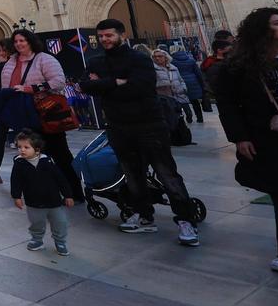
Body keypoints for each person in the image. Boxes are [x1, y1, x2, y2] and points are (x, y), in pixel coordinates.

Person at [78, 19, 201, 246]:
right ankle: (144, 215)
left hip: (149, 124)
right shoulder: (96, 62)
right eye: (102, 36)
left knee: (166, 173)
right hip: (118, 126)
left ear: (121, 35)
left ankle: (186, 220)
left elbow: (141, 87)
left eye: (109, 35)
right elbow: (84, 86)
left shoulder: (140, 59)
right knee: (132, 174)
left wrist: (104, 85)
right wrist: (117, 82)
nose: (105, 39)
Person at [214, 7, 278, 273]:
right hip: (268, 137)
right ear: (262, 30)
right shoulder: (239, 65)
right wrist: (239, 138)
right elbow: (228, 103)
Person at [0, 30, 83, 201]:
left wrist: (30, 88)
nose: (19, 44)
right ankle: (49, 193)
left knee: (60, 155)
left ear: (30, 41)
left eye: (23, 40)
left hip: (46, 115)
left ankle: (75, 192)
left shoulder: (44, 59)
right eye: (16, 41)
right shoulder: (10, 63)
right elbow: (7, 89)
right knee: (35, 159)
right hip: (24, 117)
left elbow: (58, 82)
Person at [10, 129, 73, 257]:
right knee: (36, 223)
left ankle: (60, 242)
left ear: (37, 149)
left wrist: (68, 195)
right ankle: (37, 240)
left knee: (60, 222)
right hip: (34, 202)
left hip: (54, 201)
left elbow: (60, 179)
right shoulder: (19, 163)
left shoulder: (47, 162)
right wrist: (16, 196)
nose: (22, 150)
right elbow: (15, 181)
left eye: (26, 147)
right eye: (19, 147)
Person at [151, 48, 190, 131]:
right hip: (165, 98)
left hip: (178, 96)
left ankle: (180, 135)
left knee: (181, 117)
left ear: (165, 57)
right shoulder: (152, 69)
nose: (157, 58)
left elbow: (181, 80)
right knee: (169, 119)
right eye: (154, 57)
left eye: (160, 56)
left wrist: (183, 88)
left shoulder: (174, 68)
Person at [170, 47, 206, 124]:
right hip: (193, 82)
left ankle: (188, 116)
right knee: (195, 101)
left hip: (180, 82)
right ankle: (200, 118)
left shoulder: (172, 62)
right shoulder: (191, 60)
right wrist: (201, 84)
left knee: (183, 101)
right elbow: (198, 73)